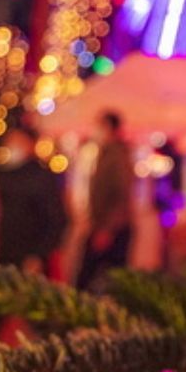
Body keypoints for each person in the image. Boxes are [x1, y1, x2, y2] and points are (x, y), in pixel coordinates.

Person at [0, 128, 67, 273]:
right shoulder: (4, 175)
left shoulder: (42, 177)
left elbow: (56, 219)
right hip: (5, 252)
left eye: (17, 141)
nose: (12, 146)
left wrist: (39, 255)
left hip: (30, 257)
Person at [74, 111, 134, 289]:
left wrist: (106, 229)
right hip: (104, 225)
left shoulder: (116, 155)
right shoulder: (106, 153)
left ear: (108, 128)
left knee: (92, 279)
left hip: (110, 228)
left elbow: (120, 194)